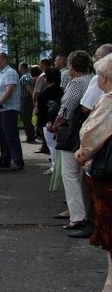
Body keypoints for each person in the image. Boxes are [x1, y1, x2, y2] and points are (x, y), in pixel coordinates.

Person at [73, 54, 112, 292]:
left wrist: (83, 153)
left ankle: (110, 287)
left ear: (105, 77)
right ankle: (110, 286)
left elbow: (91, 133)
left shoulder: (109, 101)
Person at [48, 50, 93, 237]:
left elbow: (67, 108)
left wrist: (55, 124)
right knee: (85, 174)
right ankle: (85, 213)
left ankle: (77, 216)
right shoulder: (93, 79)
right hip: (90, 131)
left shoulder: (76, 83)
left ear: (72, 67)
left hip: (73, 134)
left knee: (70, 173)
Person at [0, 53, 24, 170]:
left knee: (11, 135)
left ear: (4, 59)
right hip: (0, 109)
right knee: (1, 135)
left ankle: (18, 161)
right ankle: (5, 159)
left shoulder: (10, 72)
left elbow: (9, 90)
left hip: (8, 108)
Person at [36, 68, 63, 179]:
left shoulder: (48, 91)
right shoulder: (60, 90)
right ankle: (56, 165)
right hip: (54, 119)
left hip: (48, 120)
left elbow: (41, 105)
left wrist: (37, 109)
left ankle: (54, 166)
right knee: (54, 144)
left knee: (52, 145)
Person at [18, 62, 36, 143]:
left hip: (25, 99)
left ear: (22, 68)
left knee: (26, 118)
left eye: (19, 67)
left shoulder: (24, 77)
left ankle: (30, 136)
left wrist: (33, 98)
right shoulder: (29, 76)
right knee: (28, 118)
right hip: (28, 99)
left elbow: (28, 89)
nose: (18, 69)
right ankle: (31, 134)